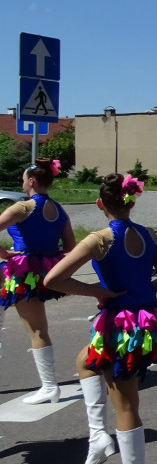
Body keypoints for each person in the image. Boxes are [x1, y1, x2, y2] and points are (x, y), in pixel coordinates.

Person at [42, 173, 157, 464]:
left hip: (121, 326)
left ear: (100, 204)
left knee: (127, 405)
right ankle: (98, 436)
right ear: (132, 201)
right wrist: (142, 294)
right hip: (147, 322)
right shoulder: (149, 235)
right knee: (85, 362)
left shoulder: (100, 239)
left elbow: (54, 279)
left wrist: (98, 292)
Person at [0, 157, 74, 404]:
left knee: (36, 330)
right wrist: (48, 255)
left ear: (31, 181)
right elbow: (70, 247)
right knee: (38, 327)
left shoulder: (23, 207)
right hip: (44, 271)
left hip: (21, 271)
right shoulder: (59, 210)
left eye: (23, 180)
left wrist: (6, 254)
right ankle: (49, 385)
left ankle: (50, 386)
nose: (22, 184)